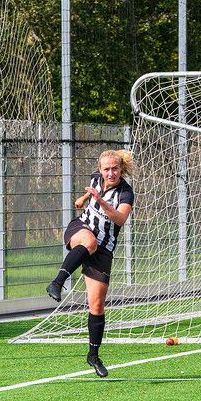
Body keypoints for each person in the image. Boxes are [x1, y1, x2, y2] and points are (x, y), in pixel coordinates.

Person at [46, 149, 135, 378]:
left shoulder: (125, 192)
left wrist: (98, 201)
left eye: (114, 168)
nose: (110, 173)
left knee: (96, 306)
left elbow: (121, 219)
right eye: (106, 169)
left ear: (120, 168)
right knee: (90, 241)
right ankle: (57, 282)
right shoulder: (96, 178)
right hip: (82, 229)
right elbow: (87, 196)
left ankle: (93, 355)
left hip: (105, 248)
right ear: (101, 169)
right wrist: (84, 199)